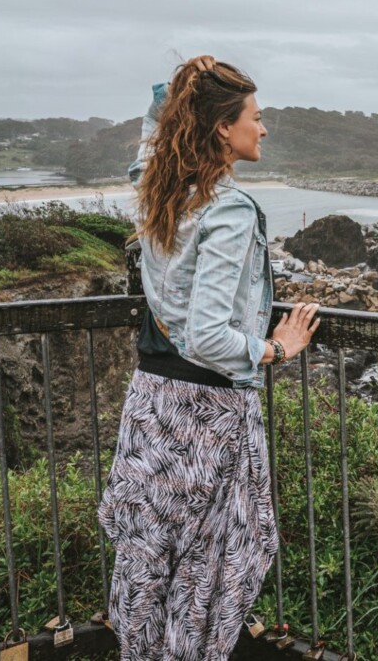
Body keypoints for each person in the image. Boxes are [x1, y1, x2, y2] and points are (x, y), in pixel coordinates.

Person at [98, 55, 320, 659]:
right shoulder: (226, 209)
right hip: (207, 418)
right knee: (210, 571)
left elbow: (151, 134)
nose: (264, 128)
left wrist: (182, 85)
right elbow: (207, 337)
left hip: (152, 407)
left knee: (150, 560)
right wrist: (277, 347)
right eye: (256, 115)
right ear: (225, 128)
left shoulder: (160, 187)